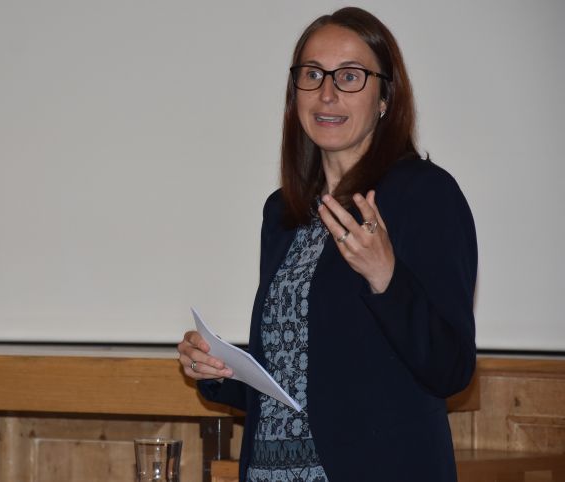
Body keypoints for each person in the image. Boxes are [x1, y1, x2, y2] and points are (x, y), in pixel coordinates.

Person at [177, 7, 476, 482]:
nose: (327, 93)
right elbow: (305, 380)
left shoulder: (423, 195)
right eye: (312, 74)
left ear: (385, 98)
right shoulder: (284, 212)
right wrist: (222, 369)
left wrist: (386, 275)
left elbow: (452, 370)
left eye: (350, 76)